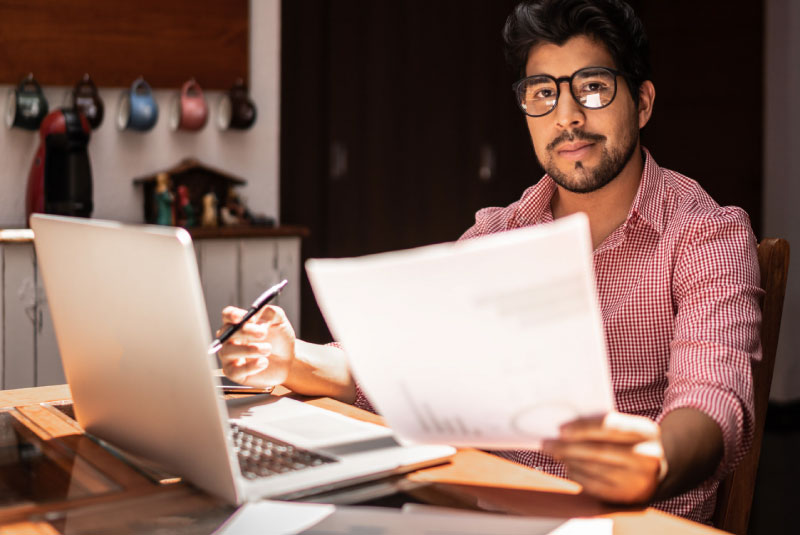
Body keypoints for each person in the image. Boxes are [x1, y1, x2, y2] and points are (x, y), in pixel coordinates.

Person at [217, 0, 762, 524]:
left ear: (642, 102)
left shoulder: (707, 235)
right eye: (543, 93)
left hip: (625, 523)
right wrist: (291, 359)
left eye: (593, 88)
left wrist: (658, 458)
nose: (566, 117)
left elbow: (714, 397)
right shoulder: (498, 233)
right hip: (478, 514)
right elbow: (405, 360)